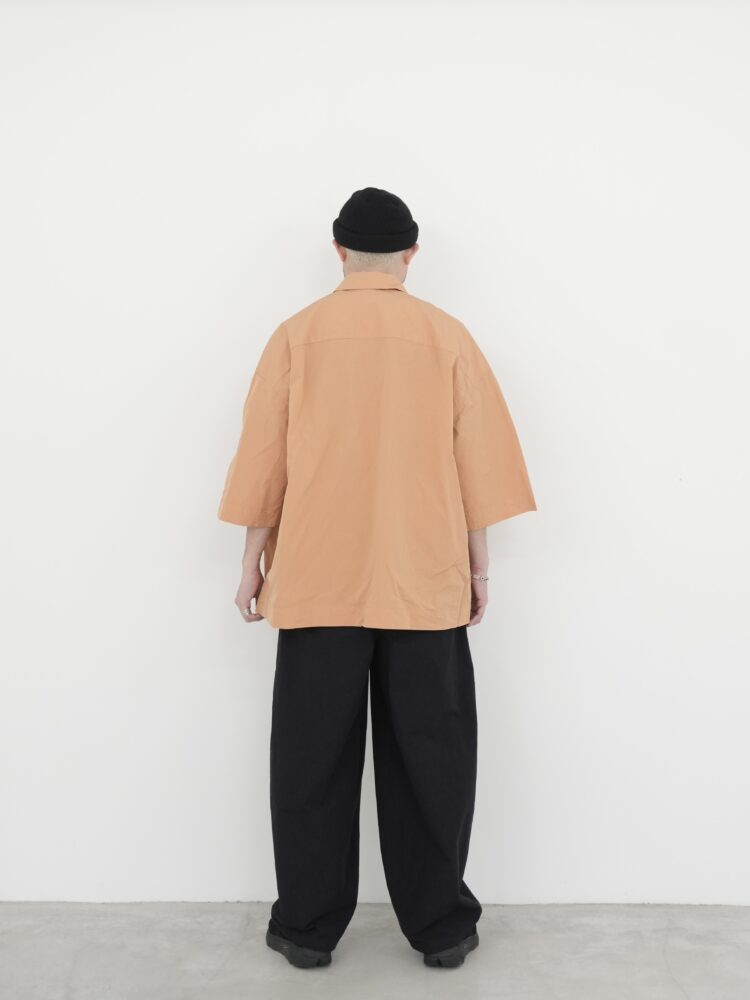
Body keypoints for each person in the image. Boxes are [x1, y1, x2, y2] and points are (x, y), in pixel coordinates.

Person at [217, 186, 537, 970]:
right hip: (422, 577)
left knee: (310, 760)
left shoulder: (296, 337)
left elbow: (265, 458)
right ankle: (442, 928)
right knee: (434, 758)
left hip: (318, 577)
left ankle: (305, 928)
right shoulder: (446, 337)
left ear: (338, 250)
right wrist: (478, 565)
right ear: (411, 255)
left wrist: (253, 560)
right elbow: (478, 463)